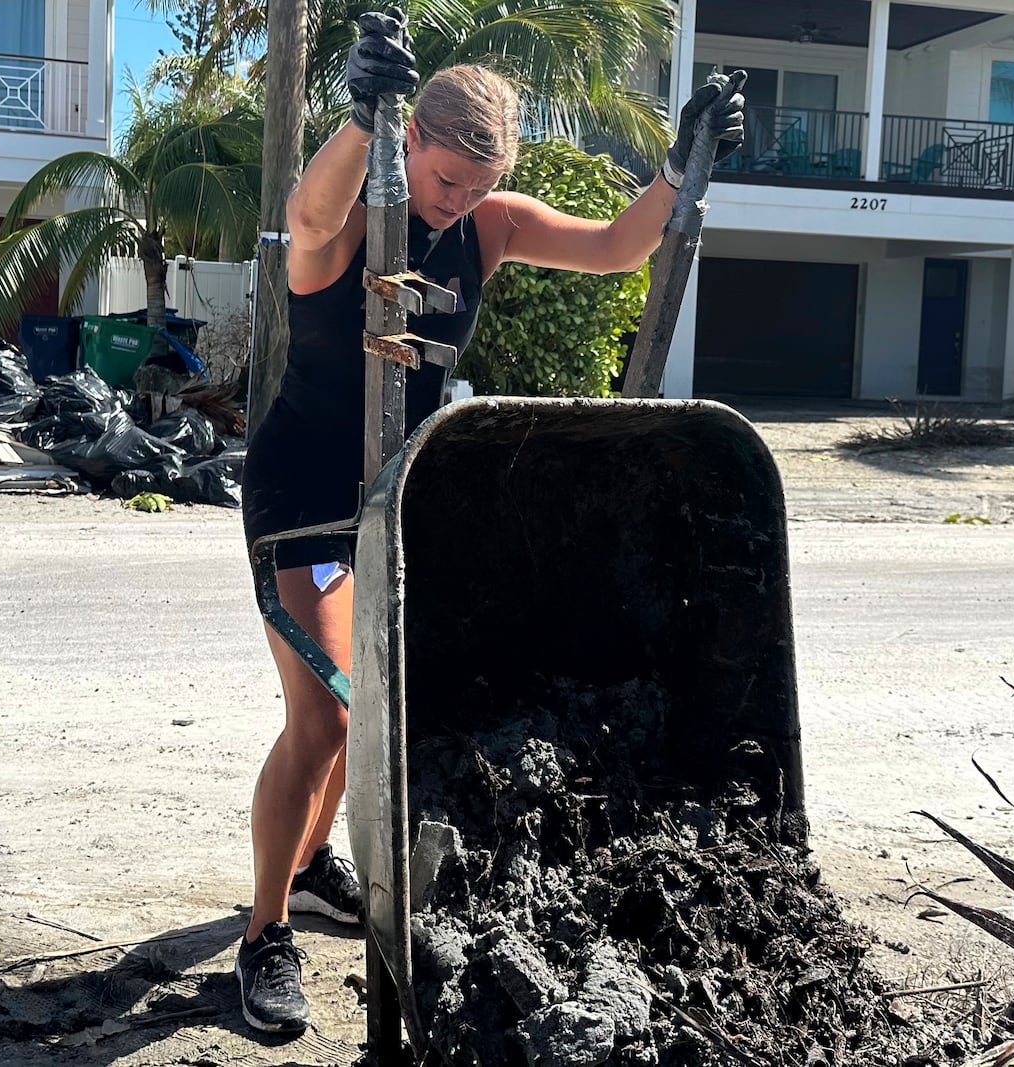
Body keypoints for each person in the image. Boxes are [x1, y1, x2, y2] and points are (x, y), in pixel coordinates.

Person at [234, 8, 745, 1035]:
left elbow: (611, 249)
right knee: (327, 712)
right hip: (302, 498)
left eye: (475, 184)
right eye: (440, 178)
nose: (455, 200)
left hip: (397, 496)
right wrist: (358, 117)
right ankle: (264, 932)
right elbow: (306, 206)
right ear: (409, 140)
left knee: (378, 709)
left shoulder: (489, 224)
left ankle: (320, 861)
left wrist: (681, 169)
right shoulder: (342, 230)